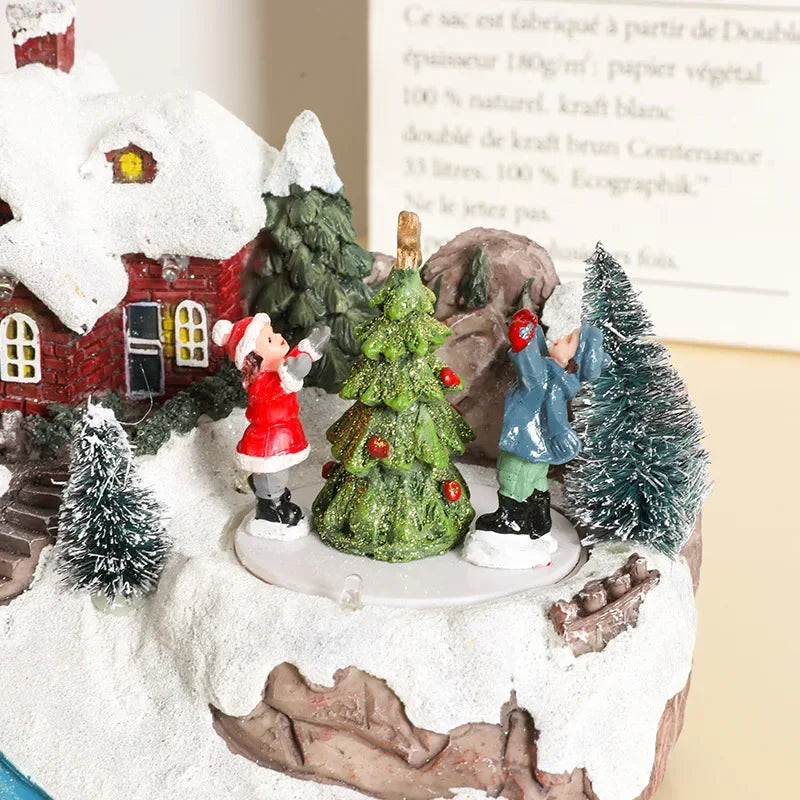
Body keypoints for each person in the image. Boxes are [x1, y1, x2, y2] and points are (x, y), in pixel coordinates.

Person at [476, 284, 606, 539]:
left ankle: (512, 519)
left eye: (568, 340)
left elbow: (531, 368)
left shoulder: (546, 376)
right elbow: (540, 354)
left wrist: (522, 342)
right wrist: (533, 331)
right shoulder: (558, 374)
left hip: (525, 441)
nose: (559, 338)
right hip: (539, 445)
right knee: (536, 478)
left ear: (573, 359)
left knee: (511, 474)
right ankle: (539, 518)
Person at [211, 313, 330, 533]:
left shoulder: (277, 368)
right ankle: (270, 508)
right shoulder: (262, 382)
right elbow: (284, 379)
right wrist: (294, 371)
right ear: (255, 357)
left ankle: (273, 493)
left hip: (282, 432)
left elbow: (292, 361)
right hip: (268, 439)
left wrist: (310, 347)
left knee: (279, 470)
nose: (278, 337)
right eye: (269, 339)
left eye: (273, 333)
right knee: (274, 471)